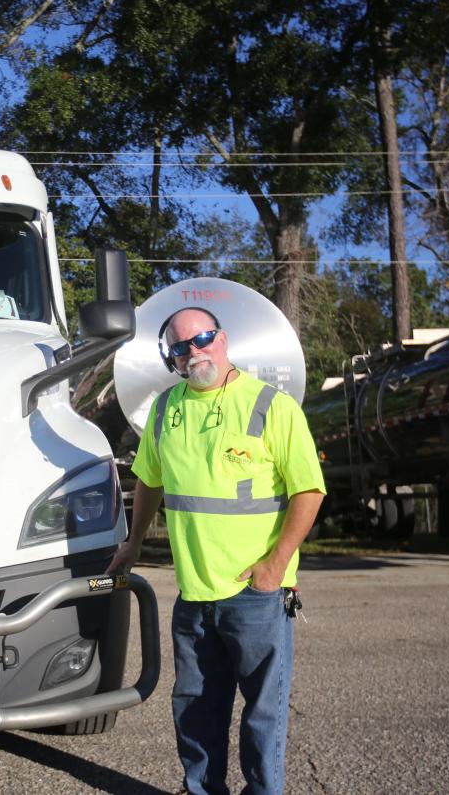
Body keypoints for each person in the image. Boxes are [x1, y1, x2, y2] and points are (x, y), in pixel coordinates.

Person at [107, 306, 325, 795]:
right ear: (173, 359)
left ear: (222, 339)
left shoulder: (272, 405)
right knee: (195, 706)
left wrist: (274, 566)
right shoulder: (165, 410)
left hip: (257, 594)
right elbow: (150, 481)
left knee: (263, 713)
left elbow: (309, 491)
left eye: (202, 338)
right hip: (194, 595)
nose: (194, 351)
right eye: (180, 347)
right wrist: (134, 541)